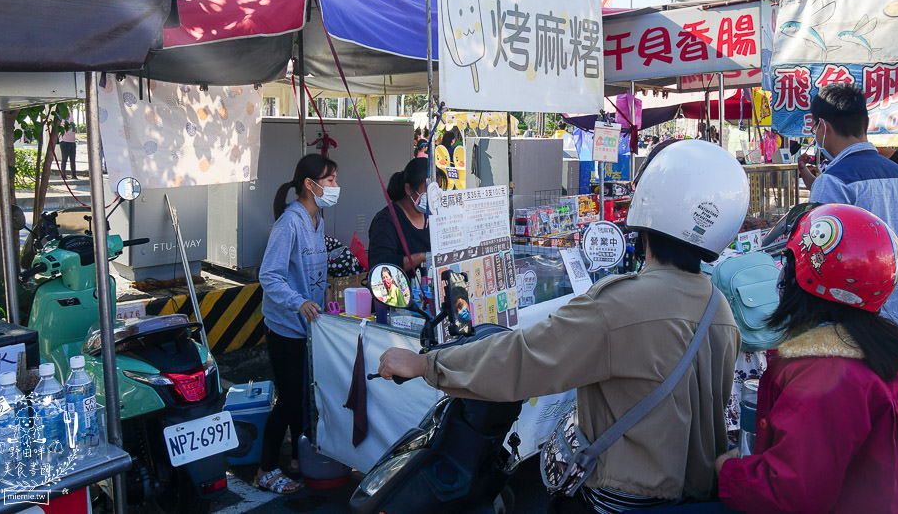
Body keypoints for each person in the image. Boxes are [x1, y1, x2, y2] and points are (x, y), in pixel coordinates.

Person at [378, 140, 746, 511]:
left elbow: (523, 359)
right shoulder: (721, 313)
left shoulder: (619, 305)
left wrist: (426, 364)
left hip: (620, 500)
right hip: (696, 496)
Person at [716, 203, 898, 512]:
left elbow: (789, 492)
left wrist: (727, 470)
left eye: (788, 263)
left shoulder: (825, 373)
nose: (782, 274)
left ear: (804, 277)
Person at [799, 83, 898, 333]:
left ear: (822, 126)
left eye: (814, 127)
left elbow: (818, 258)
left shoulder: (832, 181)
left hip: (850, 323)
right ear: (863, 123)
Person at [255, 153, 338, 494]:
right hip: (285, 326)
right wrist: (298, 301)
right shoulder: (289, 222)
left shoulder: (318, 219)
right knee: (289, 398)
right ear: (310, 184)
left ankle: (294, 458)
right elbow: (269, 276)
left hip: (308, 325)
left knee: (304, 394)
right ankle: (266, 468)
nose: (335, 186)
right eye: (330, 180)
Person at [367, 158, 431, 274]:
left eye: (436, 189)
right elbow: (380, 266)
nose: (434, 194)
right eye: (428, 189)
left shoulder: (432, 217)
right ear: (408, 189)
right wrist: (421, 257)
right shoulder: (385, 221)